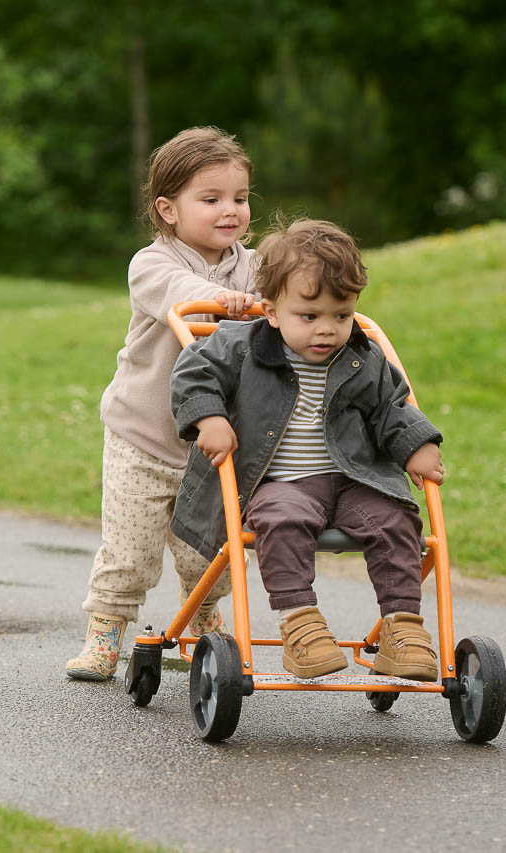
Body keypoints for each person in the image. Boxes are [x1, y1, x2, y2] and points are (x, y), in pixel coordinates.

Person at [169, 218, 445, 680]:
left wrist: (416, 444)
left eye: (342, 315)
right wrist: (209, 417)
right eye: (309, 316)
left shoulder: (364, 357)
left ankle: (402, 628)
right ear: (272, 312)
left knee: (397, 518)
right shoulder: (242, 346)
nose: (327, 330)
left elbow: (391, 409)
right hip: (278, 482)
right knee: (283, 517)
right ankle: (301, 625)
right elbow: (192, 374)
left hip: (355, 479)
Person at [65, 126, 260, 681]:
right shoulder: (150, 265)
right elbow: (183, 297)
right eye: (212, 199)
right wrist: (230, 303)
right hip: (143, 437)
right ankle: (104, 637)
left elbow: (289, 296)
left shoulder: (255, 267)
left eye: (240, 199)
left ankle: (202, 620)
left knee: (210, 552)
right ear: (167, 209)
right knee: (129, 552)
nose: (231, 211)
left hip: (215, 440)